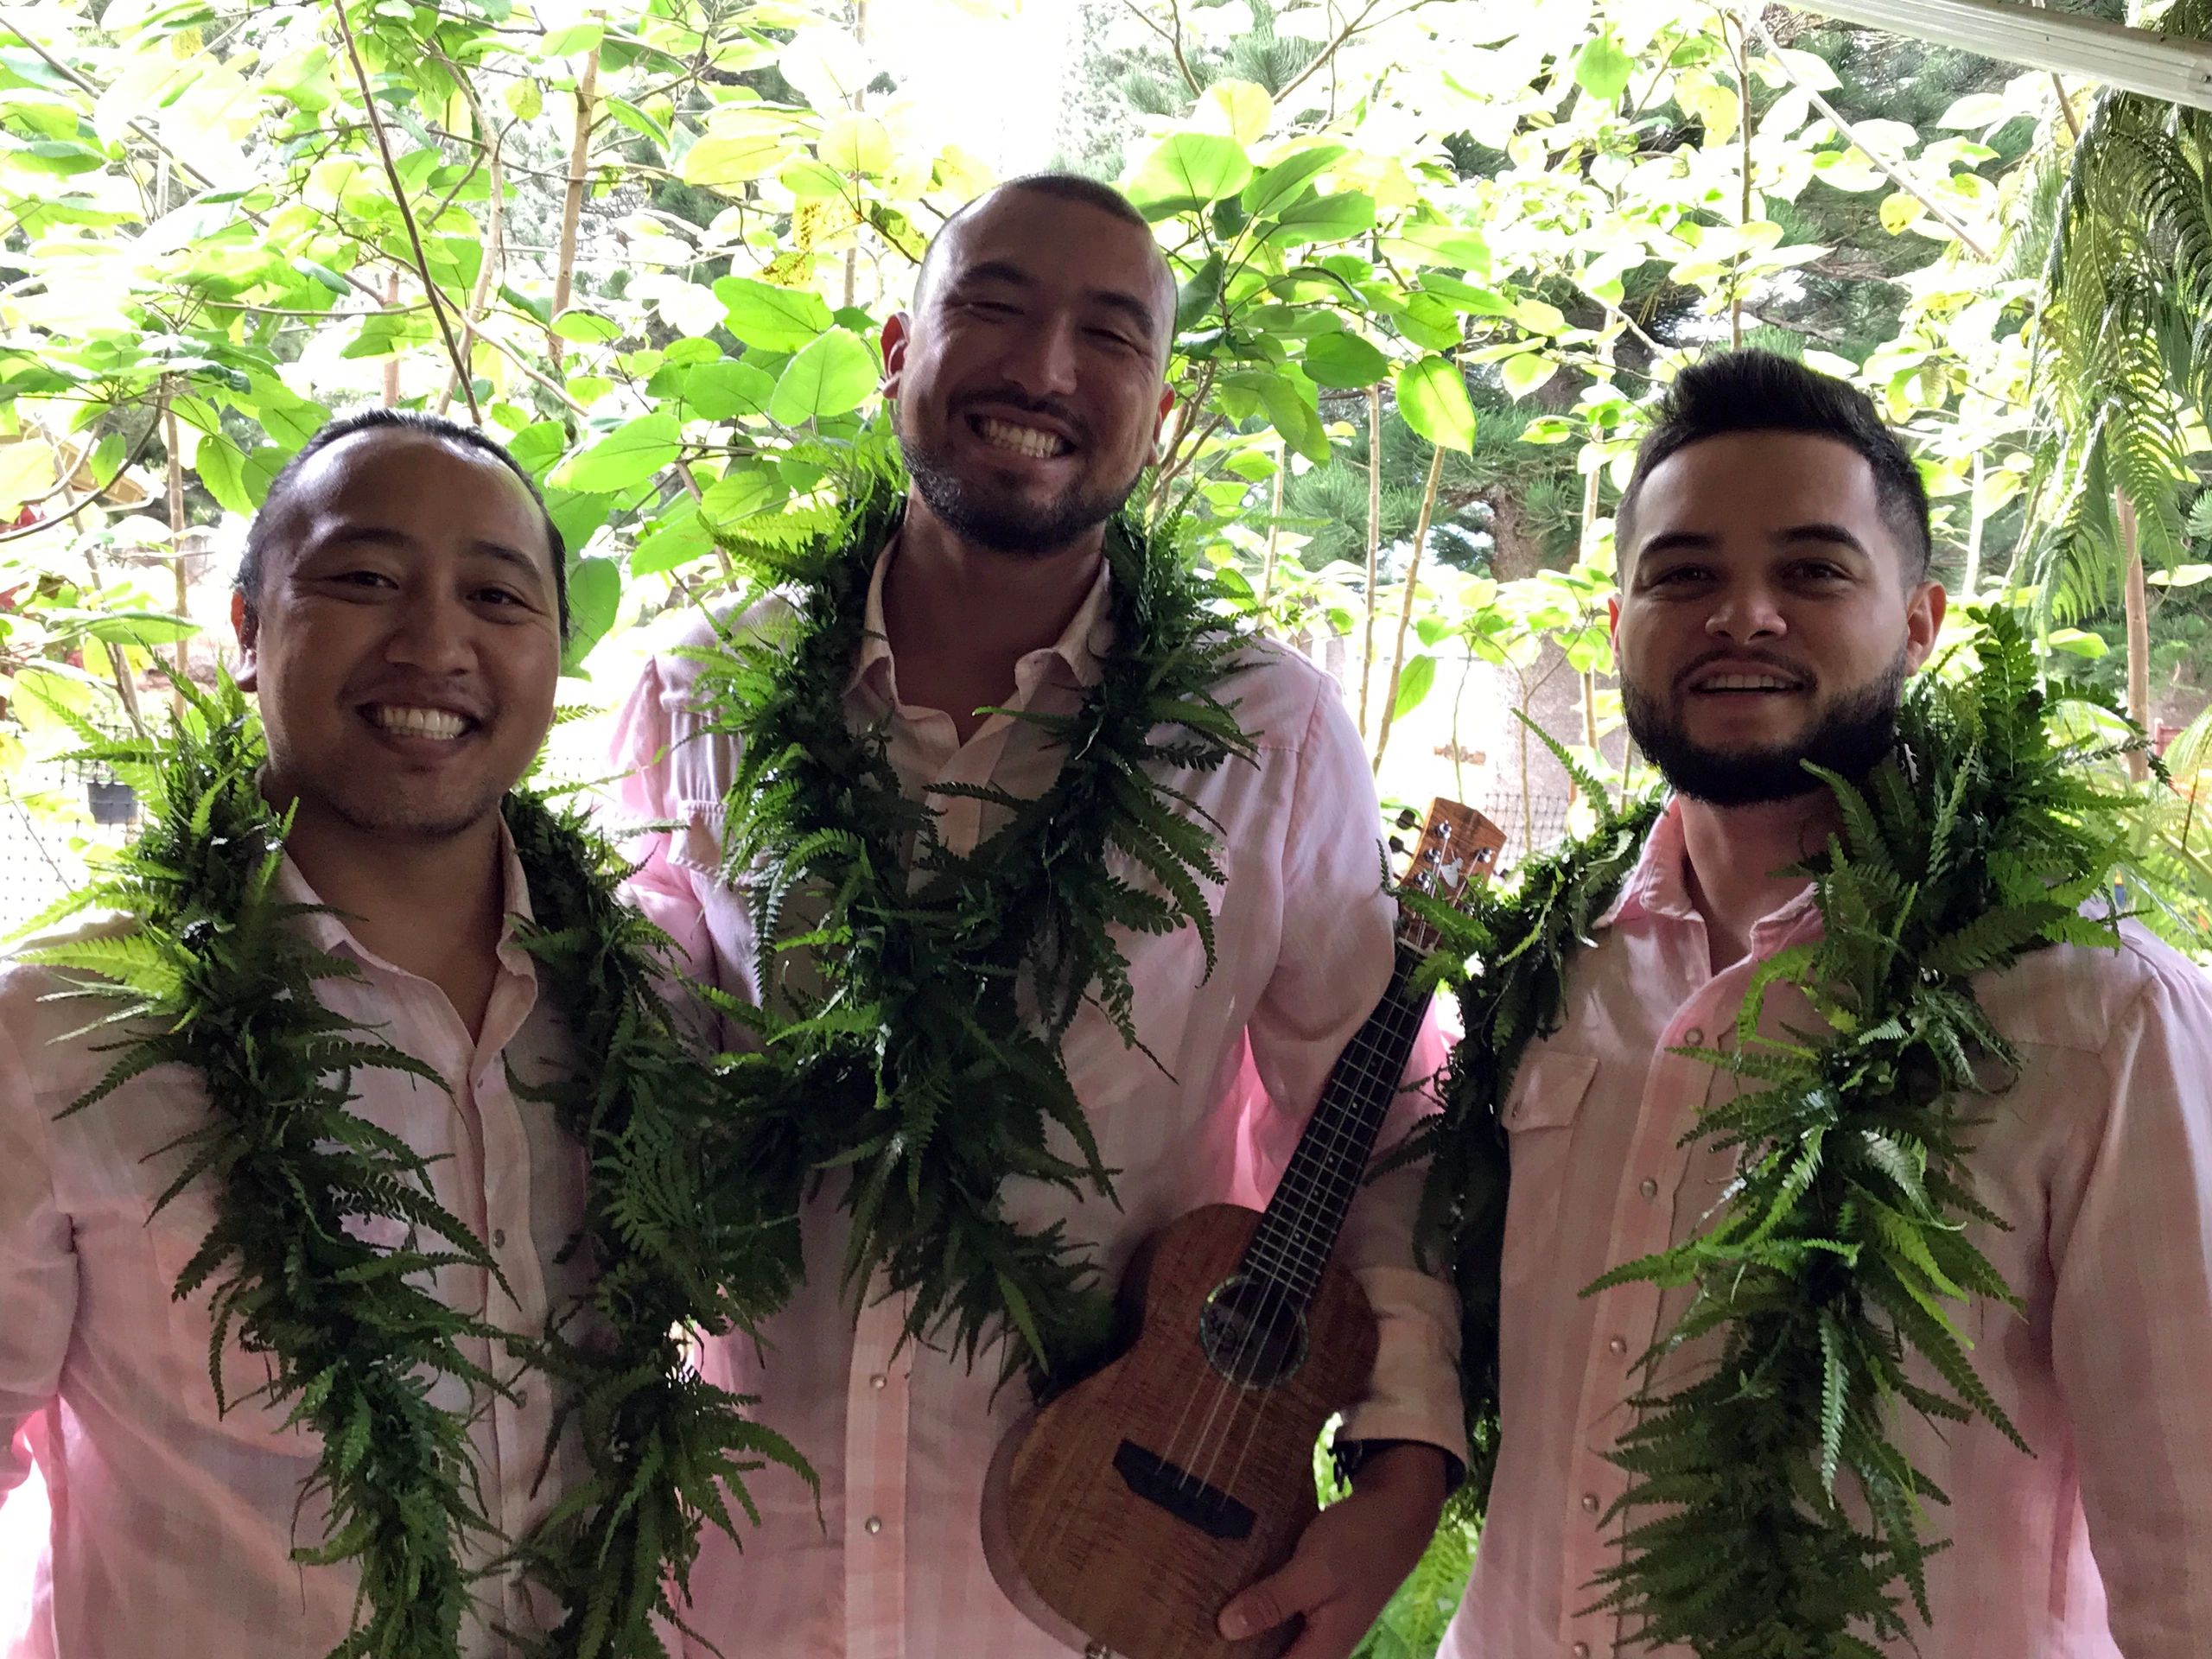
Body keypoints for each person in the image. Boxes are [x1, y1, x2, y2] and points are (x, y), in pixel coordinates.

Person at [608, 173, 1465, 1659]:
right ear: (896, 351)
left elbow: (1379, 1111)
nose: (1044, 371)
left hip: (1094, 1583)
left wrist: (1400, 1469)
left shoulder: (1268, 735)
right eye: (991, 309)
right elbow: (623, 1071)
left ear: (1162, 406)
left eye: (1109, 336)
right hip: (743, 1584)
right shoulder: (702, 691)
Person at [1435, 351, 2212, 1658]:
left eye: (1812, 570)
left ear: (1921, 620)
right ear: (1617, 617)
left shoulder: (2094, 1008)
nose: (1742, 616)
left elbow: (2192, 1546)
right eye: (1682, 575)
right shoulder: (1548, 968)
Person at [0, 411, 779, 1657]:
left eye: (496, 596)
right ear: (250, 633)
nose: (434, 643)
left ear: (556, 655)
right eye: (364, 581)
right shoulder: (64, 1030)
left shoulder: (647, 995)